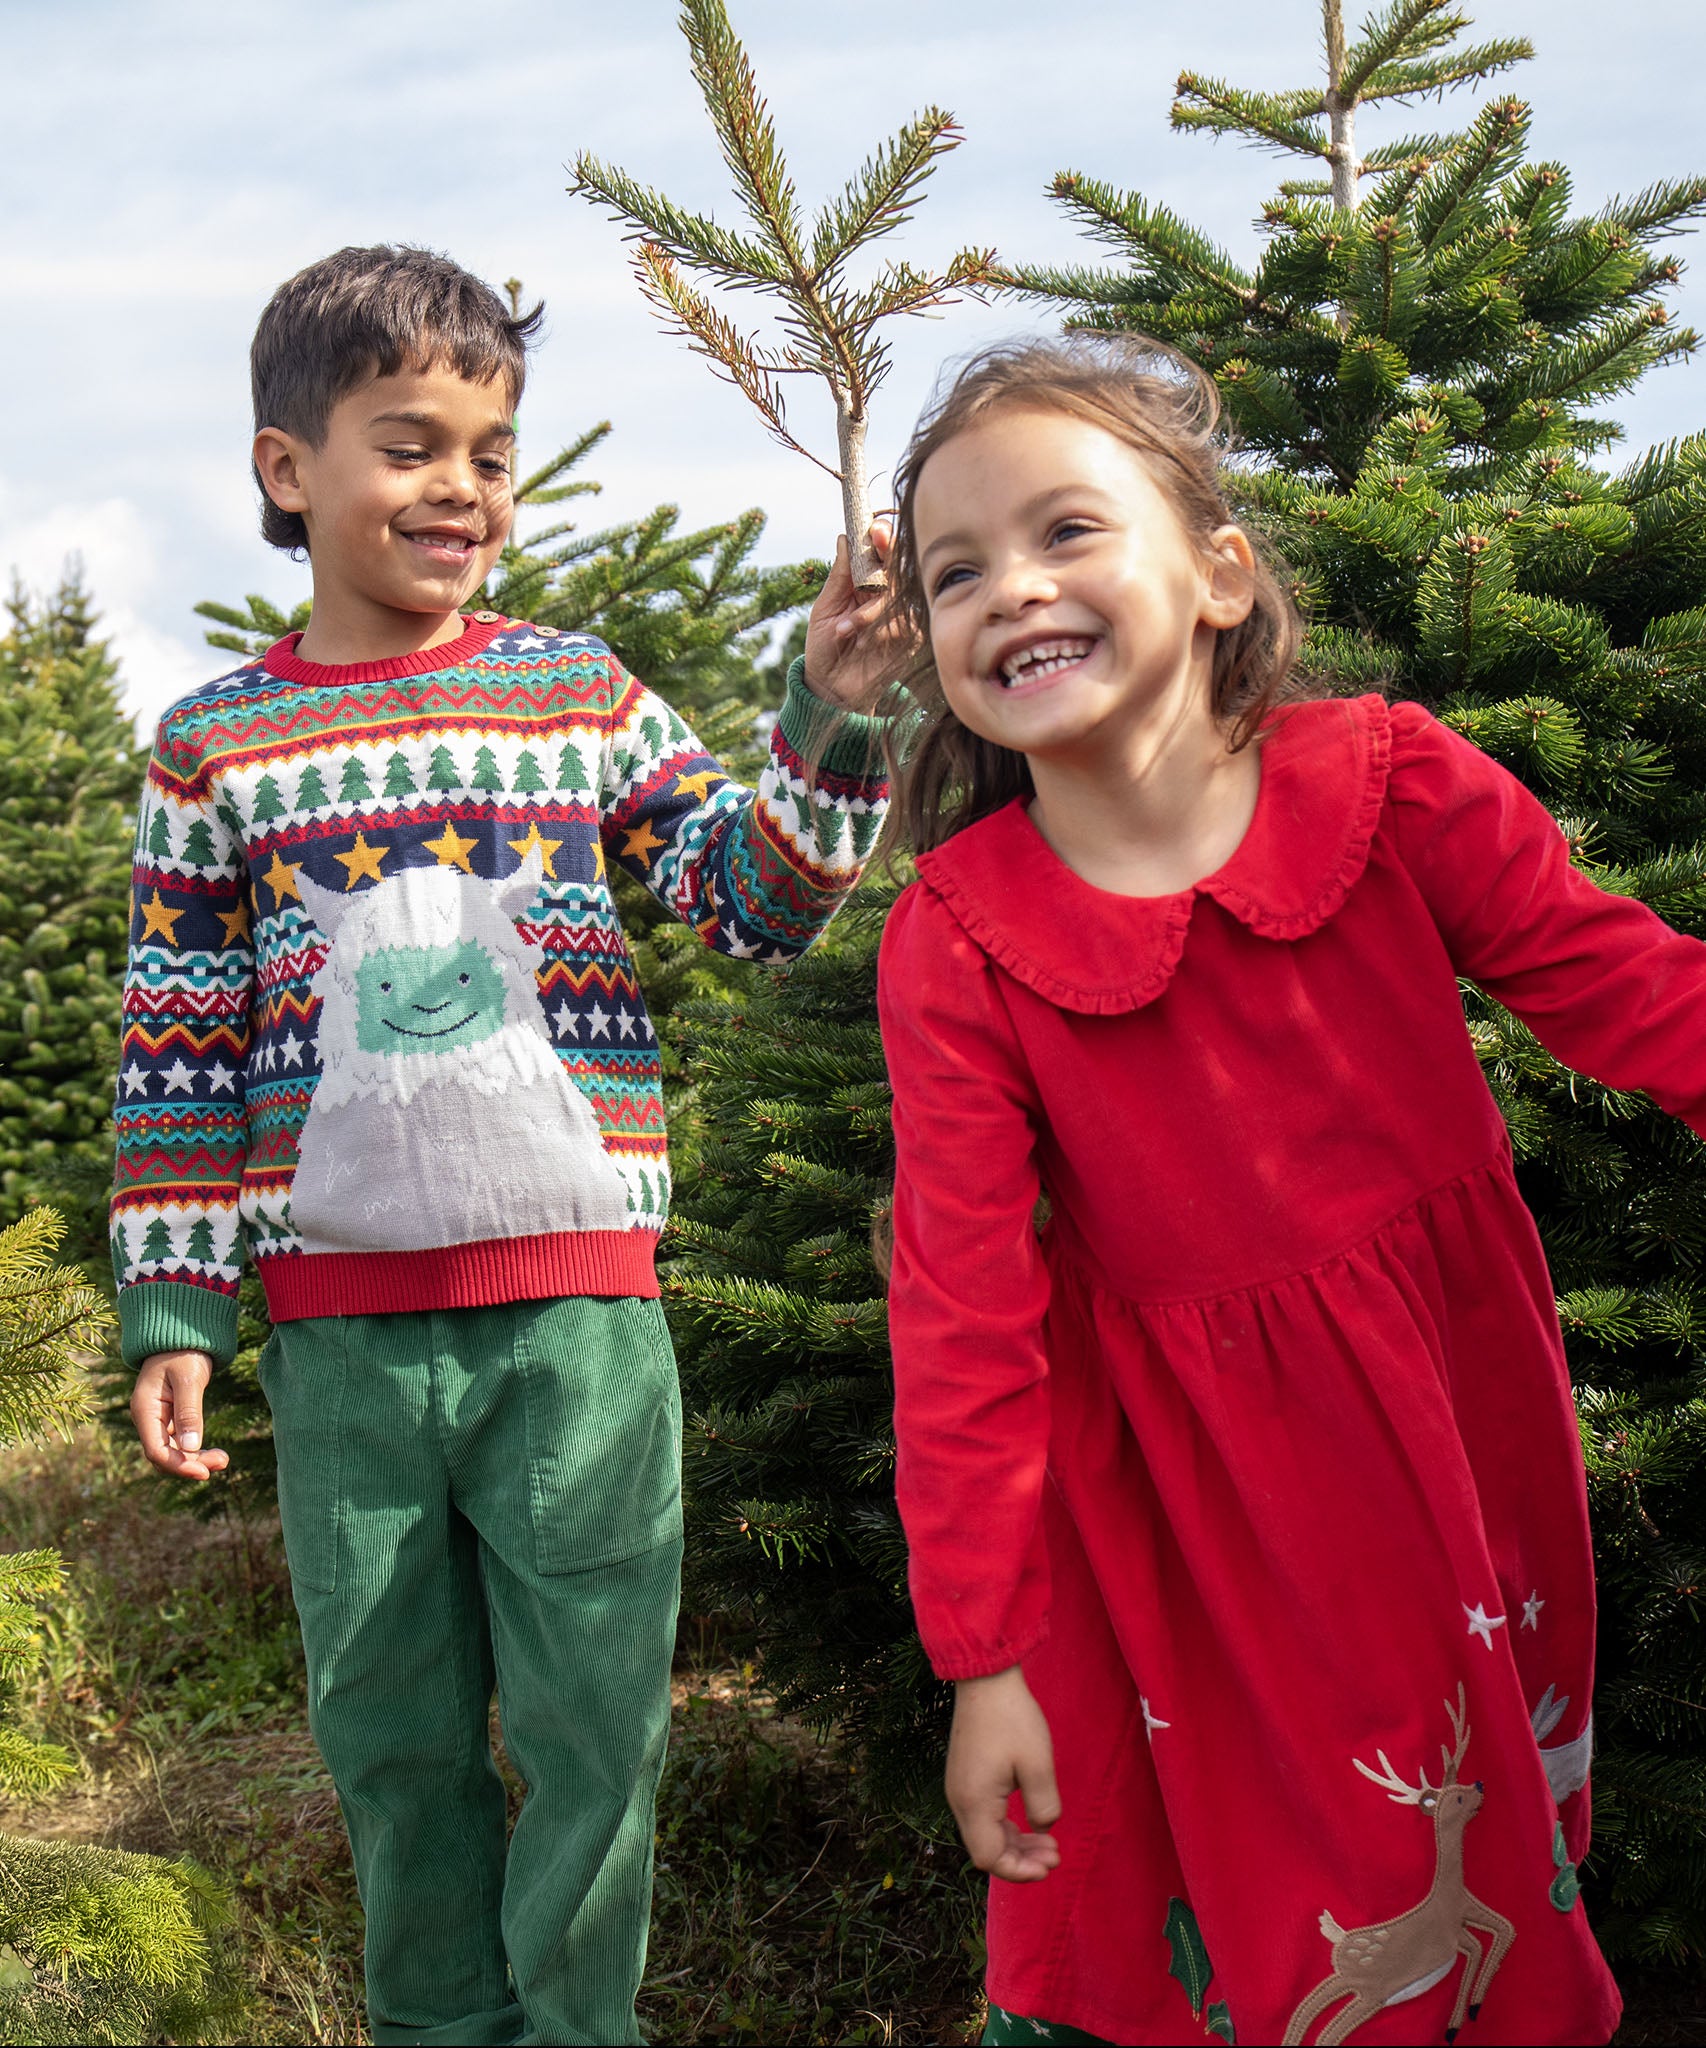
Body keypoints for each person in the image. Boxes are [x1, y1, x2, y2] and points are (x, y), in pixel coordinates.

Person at [113, 243, 891, 2047]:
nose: (458, 486)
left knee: (594, 1734)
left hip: (577, 1329)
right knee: (389, 1741)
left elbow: (752, 904)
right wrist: (179, 1307)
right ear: (287, 468)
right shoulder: (213, 747)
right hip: (341, 1343)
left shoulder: (577, 694)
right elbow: (175, 1044)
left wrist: (833, 708)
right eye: (408, 446)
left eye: (489, 452)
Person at [873, 335, 1688, 2046]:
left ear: (1219, 575)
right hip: (1187, 1517)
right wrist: (985, 1660)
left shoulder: (1394, 786)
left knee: (1479, 1859)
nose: (1009, 588)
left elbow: (1627, 988)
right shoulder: (955, 940)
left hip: (1447, 1434)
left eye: (1064, 531)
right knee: (1263, 1905)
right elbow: (960, 1318)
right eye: (955, 572)